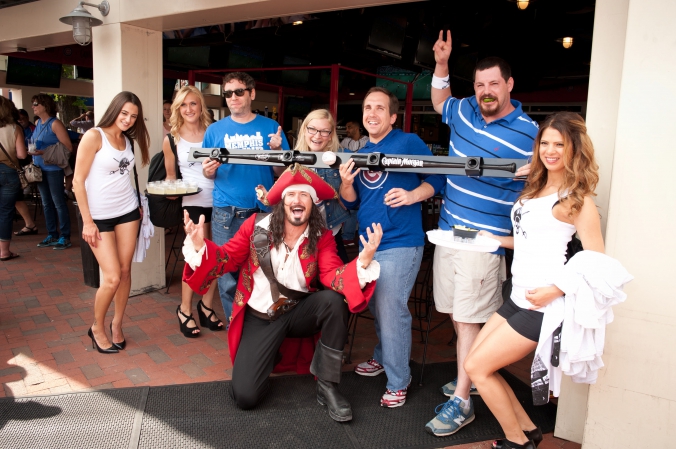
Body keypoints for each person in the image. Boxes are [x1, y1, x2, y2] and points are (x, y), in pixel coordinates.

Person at [182, 164, 382, 422]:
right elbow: (227, 258)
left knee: (334, 302)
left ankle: (328, 386)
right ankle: (266, 357)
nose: (297, 200)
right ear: (281, 201)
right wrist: (201, 246)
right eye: (291, 194)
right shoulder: (255, 227)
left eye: (304, 195)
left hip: (299, 312)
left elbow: (332, 275)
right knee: (245, 397)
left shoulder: (321, 237)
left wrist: (361, 263)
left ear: (312, 203)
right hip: (259, 317)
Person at [460, 112, 604, 449]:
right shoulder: (537, 187)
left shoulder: (577, 200)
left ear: (575, 150)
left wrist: (556, 289)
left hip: (544, 304)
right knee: (478, 366)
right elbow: (529, 238)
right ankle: (528, 430)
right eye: (545, 143)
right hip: (517, 295)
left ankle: (517, 443)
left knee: (477, 368)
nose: (550, 151)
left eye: (560, 145)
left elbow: (598, 262)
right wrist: (494, 239)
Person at [423, 31, 539, 436]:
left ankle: (463, 400)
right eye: (479, 84)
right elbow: (440, 101)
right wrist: (441, 64)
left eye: (493, 83)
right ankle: (466, 375)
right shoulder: (465, 110)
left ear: (509, 85)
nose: (485, 91)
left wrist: (535, 175)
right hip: (447, 234)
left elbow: (545, 186)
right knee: (460, 316)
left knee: (470, 322)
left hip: (485, 242)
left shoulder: (530, 134)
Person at [339, 87, 445, 407]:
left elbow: (438, 177)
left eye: (380, 108)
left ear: (393, 116)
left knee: (390, 307)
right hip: (367, 244)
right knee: (376, 305)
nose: (372, 113)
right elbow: (352, 203)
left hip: (401, 241)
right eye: (367, 107)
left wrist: (412, 195)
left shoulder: (407, 142)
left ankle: (399, 380)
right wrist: (345, 182)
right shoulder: (358, 151)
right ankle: (384, 356)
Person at [202, 71, 289, 324]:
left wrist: (278, 152)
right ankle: (235, 330)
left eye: (239, 91)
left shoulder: (271, 128)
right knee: (227, 275)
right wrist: (208, 172)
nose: (233, 97)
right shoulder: (214, 130)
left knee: (265, 274)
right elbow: (209, 172)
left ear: (251, 93)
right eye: (228, 93)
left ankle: (261, 330)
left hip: (262, 212)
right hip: (225, 214)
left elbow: (281, 173)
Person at [72, 91, 150, 354]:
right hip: (99, 218)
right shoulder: (94, 136)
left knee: (126, 271)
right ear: (114, 109)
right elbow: (77, 182)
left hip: (127, 212)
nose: (128, 119)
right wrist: (87, 222)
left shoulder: (127, 139)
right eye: (124, 113)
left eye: (133, 116)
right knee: (112, 277)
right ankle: (97, 327)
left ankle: (117, 324)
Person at [162, 85, 223, 337]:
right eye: (183, 105)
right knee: (195, 258)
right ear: (178, 108)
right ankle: (184, 309)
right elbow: (170, 178)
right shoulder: (171, 139)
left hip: (219, 200)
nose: (189, 109)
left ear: (201, 106)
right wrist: (169, 189)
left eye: (193, 103)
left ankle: (206, 306)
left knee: (217, 257)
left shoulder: (214, 133)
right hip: (193, 202)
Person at [293, 109, 350, 263]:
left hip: (331, 231)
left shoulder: (343, 156)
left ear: (331, 135)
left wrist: (346, 191)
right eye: (312, 129)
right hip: (300, 233)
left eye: (324, 131)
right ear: (304, 130)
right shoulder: (294, 158)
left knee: (338, 279)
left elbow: (354, 197)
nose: (317, 136)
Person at [30, 94, 74, 250]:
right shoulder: (37, 123)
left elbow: (68, 147)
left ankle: (65, 236)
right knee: (46, 203)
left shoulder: (55, 124)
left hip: (54, 169)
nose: (33, 107)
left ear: (45, 105)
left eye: (36, 104)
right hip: (40, 169)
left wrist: (44, 153)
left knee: (58, 203)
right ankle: (52, 234)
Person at [0, 97, 27, 261]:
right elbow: (22, 155)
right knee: (5, 212)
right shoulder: (15, 128)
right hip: (8, 172)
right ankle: (4, 251)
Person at [339, 119, 366, 245]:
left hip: (363, 177)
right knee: (350, 207)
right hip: (347, 176)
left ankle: (355, 236)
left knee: (360, 207)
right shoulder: (345, 142)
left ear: (356, 127)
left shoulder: (367, 140)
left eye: (349, 127)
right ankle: (348, 236)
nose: (347, 130)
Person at [13, 108, 37, 236]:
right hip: (12, 166)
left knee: (16, 197)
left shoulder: (29, 128)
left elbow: (22, 155)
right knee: (16, 198)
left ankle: (29, 224)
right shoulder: (15, 128)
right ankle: (29, 224)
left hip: (16, 166)